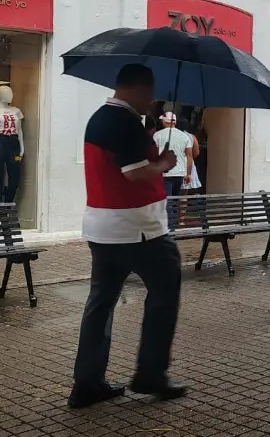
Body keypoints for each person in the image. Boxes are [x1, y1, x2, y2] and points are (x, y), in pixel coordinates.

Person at [70, 63, 186, 409]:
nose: (152, 102)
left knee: (101, 303)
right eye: (150, 95)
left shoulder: (99, 118)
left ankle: (87, 383)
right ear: (138, 89)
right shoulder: (124, 122)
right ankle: (150, 373)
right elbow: (135, 174)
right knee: (165, 291)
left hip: (102, 227)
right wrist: (165, 163)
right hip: (138, 229)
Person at [152, 112, 194, 229]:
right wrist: (188, 174)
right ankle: (171, 226)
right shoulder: (184, 136)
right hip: (180, 173)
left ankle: (169, 228)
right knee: (174, 201)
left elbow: (153, 154)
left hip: (165, 173)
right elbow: (189, 156)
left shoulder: (157, 135)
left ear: (165, 121)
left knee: (168, 202)